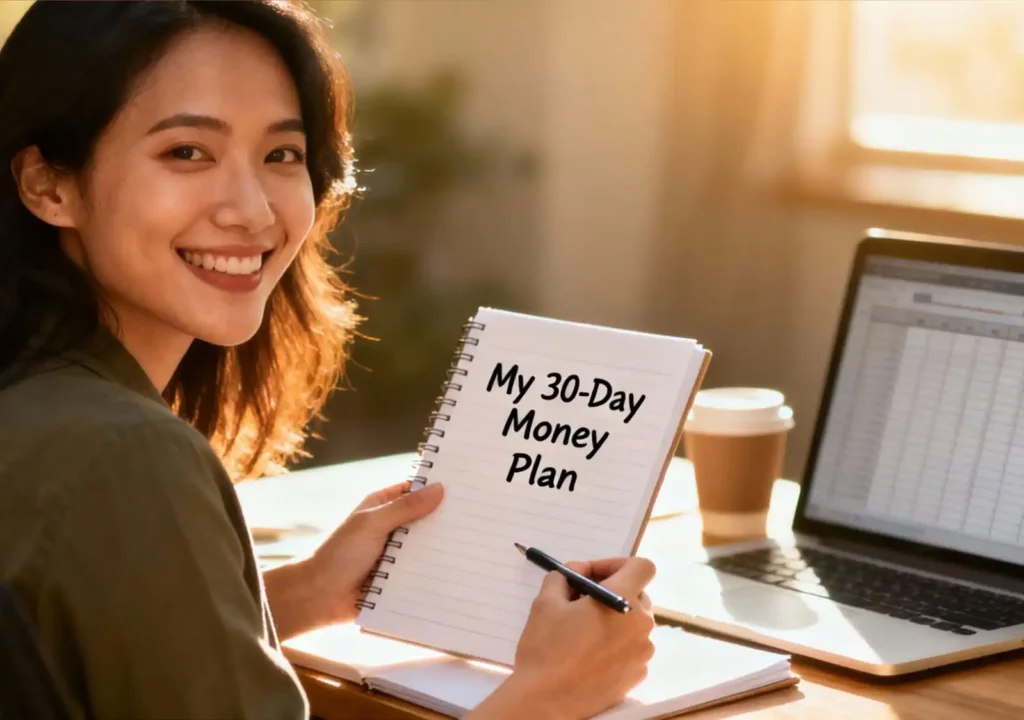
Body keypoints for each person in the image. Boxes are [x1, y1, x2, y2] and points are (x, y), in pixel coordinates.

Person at [0, 2, 658, 719]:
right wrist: (548, 695)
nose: (252, 211)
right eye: (187, 152)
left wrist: (308, 590)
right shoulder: (124, 454)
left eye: (282, 155)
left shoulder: (40, 405)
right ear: (47, 184)